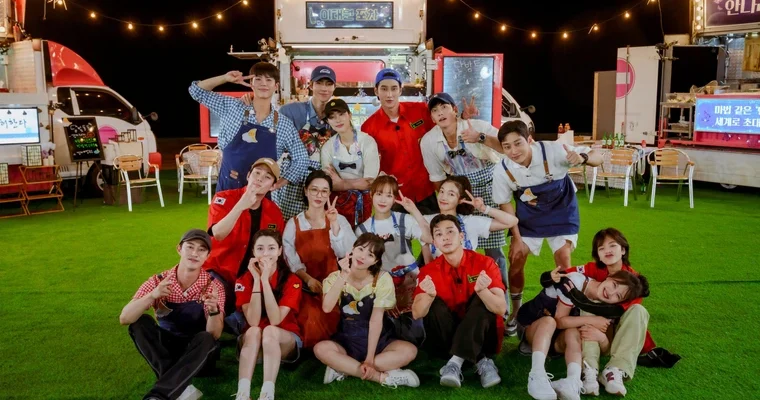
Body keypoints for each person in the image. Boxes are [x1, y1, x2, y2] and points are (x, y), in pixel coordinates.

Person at [492, 120, 603, 335]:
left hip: (562, 210)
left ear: (529, 140)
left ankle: (566, 311)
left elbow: (597, 157)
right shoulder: (502, 169)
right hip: (529, 215)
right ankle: (516, 311)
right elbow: (506, 205)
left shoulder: (554, 150)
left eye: (518, 143)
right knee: (516, 259)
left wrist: (584, 158)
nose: (513, 151)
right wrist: (516, 238)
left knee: (563, 260)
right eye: (507, 146)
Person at [120, 229, 225, 400]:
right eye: (190, 247)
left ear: (207, 256)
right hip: (167, 349)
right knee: (139, 323)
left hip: (198, 356)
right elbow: (125, 318)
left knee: (206, 338)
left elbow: (215, 335)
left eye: (201, 250)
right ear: (179, 249)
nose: (194, 253)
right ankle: (183, 388)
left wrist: (214, 310)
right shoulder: (158, 281)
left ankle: (158, 396)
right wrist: (153, 295)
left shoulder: (214, 286)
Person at [516, 268, 649, 400]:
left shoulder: (604, 307)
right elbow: (559, 321)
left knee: (574, 332)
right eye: (614, 285)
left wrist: (602, 338)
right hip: (534, 325)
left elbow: (604, 350)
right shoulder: (575, 282)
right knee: (549, 322)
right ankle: (537, 375)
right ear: (609, 277)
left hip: (557, 339)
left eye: (618, 296)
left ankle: (572, 381)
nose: (611, 293)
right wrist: (593, 321)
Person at [188, 63, 310, 203]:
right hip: (229, 190)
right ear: (251, 83)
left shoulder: (284, 125)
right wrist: (225, 78)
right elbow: (196, 91)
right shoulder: (232, 108)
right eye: (258, 79)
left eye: (269, 80)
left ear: (276, 86)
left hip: (260, 197)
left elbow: (301, 158)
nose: (263, 83)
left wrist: (280, 183)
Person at [361, 69, 478, 214]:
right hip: (397, 194)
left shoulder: (420, 110)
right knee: (398, 229)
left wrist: (462, 117)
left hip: (427, 189)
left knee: (436, 227)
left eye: (394, 88)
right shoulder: (369, 127)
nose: (389, 94)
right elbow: (370, 162)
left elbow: (444, 126)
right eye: (384, 89)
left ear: (400, 90)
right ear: (376, 91)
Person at [411, 215, 507, 389]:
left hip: (485, 337)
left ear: (461, 236)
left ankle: (455, 362)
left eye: (450, 232)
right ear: (434, 242)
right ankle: (481, 361)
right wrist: (429, 296)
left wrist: (483, 292)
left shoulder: (485, 263)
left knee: (482, 299)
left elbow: (501, 309)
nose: (445, 238)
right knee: (433, 303)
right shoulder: (428, 271)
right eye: (439, 234)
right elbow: (417, 313)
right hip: (445, 338)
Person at [314, 233, 421, 388]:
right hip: (347, 341)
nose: (362, 256)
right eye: (360, 249)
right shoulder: (335, 277)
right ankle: (383, 377)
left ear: (376, 261)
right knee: (320, 349)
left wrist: (370, 359)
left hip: (379, 341)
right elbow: (327, 307)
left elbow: (376, 320)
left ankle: (344, 367)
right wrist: (343, 275)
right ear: (352, 249)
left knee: (410, 351)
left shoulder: (382, 279)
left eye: (370, 255)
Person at [561, 228, 658, 397]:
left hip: (617, 331)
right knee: (592, 303)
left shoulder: (633, 281)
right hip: (592, 324)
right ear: (597, 255)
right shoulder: (594, 268)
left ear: (623, 250)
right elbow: (567, 274)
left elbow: (620, 311)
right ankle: (589, 370)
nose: (607, 251)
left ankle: (615, 370)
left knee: (638, 310)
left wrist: (602, 334)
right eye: (601, 248)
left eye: (613, 245)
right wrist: (553, 277)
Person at [421, 93, 509, 277]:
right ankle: (461, 288)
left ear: (455, 110)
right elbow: (437, 178)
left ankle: (500, 292)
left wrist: (480, 137)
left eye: (444, 107)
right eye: (435, 110)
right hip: (460, 194)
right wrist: (448, 204)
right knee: (460, 244)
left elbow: (504, 147)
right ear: (432, 118)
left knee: (494, 252)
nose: (440, 113)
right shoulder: (429, 141)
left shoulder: (476, 126)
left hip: (489, 189)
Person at [242, 65, 338, 220]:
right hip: (291, 178)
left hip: (319, 180)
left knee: (315, 223)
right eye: (319, 83)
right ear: (310, 85)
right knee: (285, 222)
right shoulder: (291, 111)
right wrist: (251, 105)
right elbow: (268, 133)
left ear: (334, 87)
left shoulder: (336, 115)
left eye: (329, 84)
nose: (324, 88)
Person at [203, 158, 285, 329]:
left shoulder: (274, 212)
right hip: (220, 272)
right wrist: (241, 205)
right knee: (213, 307)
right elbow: (218, 234)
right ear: (248, 176)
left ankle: (233, 319)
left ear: (272, 186)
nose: (260, 178)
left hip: (251, 278)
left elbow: (275, 251)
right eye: (257, 173)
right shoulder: (223, 198)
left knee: (252, 321)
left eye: (267, 177)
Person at [283, 170, 356, 348]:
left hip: (336, 285)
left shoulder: (340, 220)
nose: (319, 195)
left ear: (330, 194)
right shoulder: (294, 223)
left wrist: (334, 223)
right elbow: (290, 259)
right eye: (314, 190)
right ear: (306, 191)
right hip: (305, 286)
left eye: (324, 191)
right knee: (310, 320)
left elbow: (346, 253)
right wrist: (308, 280)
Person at [422, 176, 518, 305]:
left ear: (460, 200)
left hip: (469, 281)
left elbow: (512, 221)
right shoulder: (426, 221)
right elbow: (427, 259)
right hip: (440, 282)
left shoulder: (470, 222)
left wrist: (484, 209)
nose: (444, 197)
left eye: (451, 194)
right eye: (442, 191)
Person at [233, 230, 303, 400]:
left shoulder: (293, 281)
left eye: (271, 248)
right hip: (254, 344)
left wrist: (265, 280)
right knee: (254, 330)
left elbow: (275, 320)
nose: (265, 254)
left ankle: (267, 393)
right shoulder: (243, 280)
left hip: (284, 340)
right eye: (260, 249)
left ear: (279, 251)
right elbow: (253, 321)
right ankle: (242, 393)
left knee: (270, 331)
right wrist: (257, 280)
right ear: (253, 252)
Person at [320, 98, 380, 228]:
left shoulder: (367, 142)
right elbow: (329, 184)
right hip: (337, 204)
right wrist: (356, 183)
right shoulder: (328, 147)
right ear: (328, 121)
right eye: (332, 117)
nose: (337, 120)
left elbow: (370, 182)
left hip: (364, 203)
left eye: (341, 114)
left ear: (350, 115)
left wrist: (342, 183)